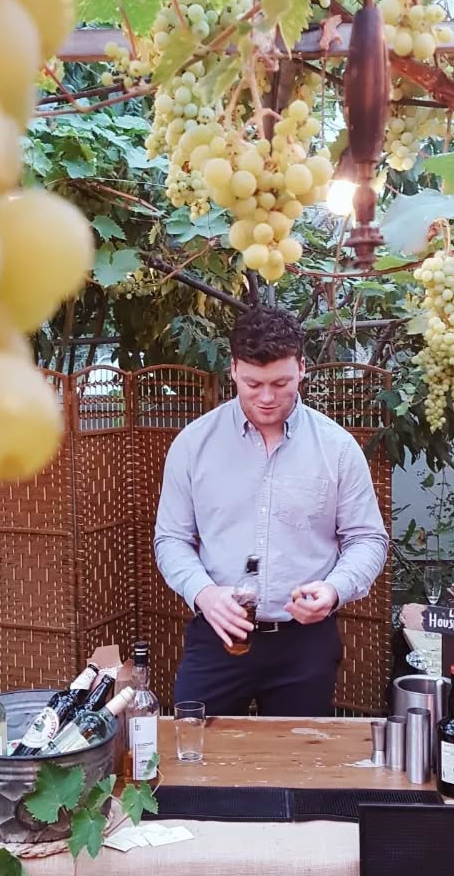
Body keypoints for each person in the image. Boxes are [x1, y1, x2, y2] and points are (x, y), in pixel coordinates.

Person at [154, 306, 389, 716]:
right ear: (232, 370)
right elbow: (171, 539)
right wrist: (204, 594)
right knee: (196, 765)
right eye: (253, 383)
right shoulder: (193, 445)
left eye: (280, 383)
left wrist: (333, 591)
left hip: (305, 642)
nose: (266, 397)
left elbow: (367, 539)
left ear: (301, 368)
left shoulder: (337, 448)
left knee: (299, 771)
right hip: (218, 631)